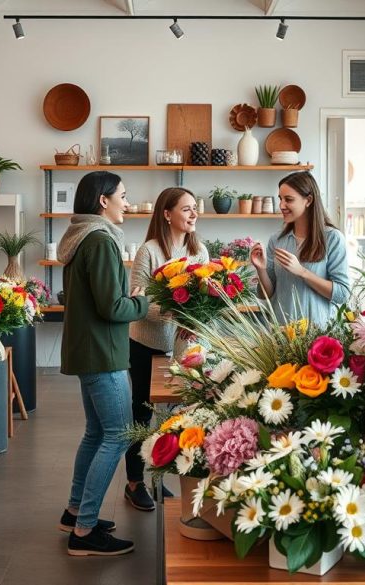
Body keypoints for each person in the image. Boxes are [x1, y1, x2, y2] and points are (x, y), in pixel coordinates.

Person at [57, 170, 148, 557]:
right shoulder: (102, 242)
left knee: (96, 433)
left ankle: (75, 510)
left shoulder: (80, 237)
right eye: (123, 196)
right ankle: (85, 530)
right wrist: (143, 301)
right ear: (103, 201)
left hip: (86, 350)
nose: (126, 203)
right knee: (118, 435)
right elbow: (113, 307)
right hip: (104, 353)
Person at [124, 187, 209, 511]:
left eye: (194, 208)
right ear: (167, 214)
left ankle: (159, 479)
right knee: (142, 412)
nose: (193, 214)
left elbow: (205, 298)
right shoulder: (149, 251)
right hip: (147, 342)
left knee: (173, 414)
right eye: (186, 209)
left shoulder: (198, 250)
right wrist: (179, 312)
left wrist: (196, 318)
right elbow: (139, 302)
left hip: (185, 345)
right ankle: (135, 483)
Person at [250, 171, 351, 326]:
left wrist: (302, 272)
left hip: (318, 337)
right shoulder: (276, 240)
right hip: (281, 335)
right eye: (280, 199)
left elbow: (342, 294)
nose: (281, 205)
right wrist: (261, 269)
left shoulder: (333, 238)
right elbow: (265, 295)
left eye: (288, 200)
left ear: (308, 200)